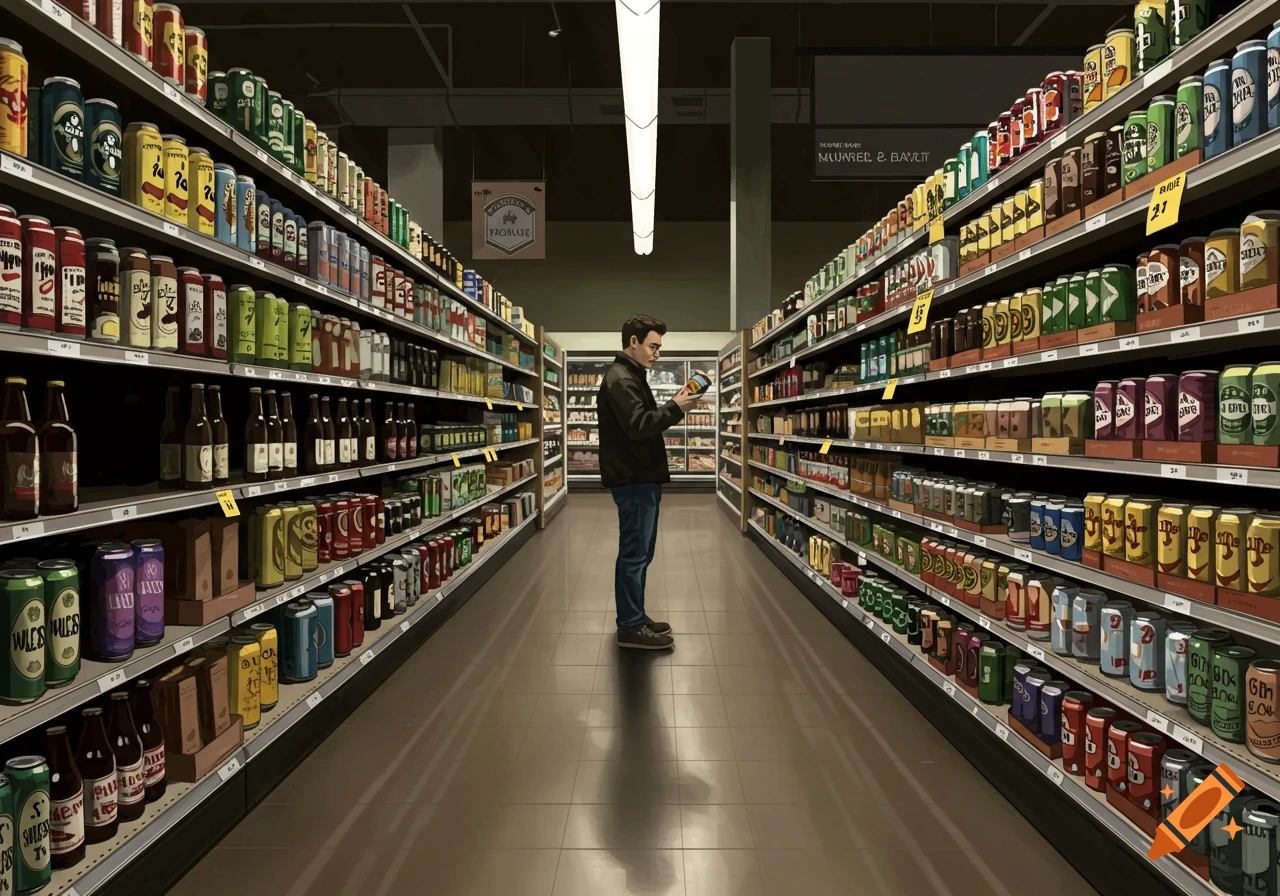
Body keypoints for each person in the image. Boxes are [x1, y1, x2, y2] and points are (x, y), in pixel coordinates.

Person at [598, 314, 703, 649]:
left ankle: (636, 615)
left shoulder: (630, 375)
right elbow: (639, 425)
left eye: (659, 347)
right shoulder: (620, 379)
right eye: (653, 346)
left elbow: (640, 423)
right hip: (633, 478)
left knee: (641, 552)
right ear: (633, 342)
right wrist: (675, 407)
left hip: (639, 475)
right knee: (634, 553)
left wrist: (674, 407)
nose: (657, 353)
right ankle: (630, 627)